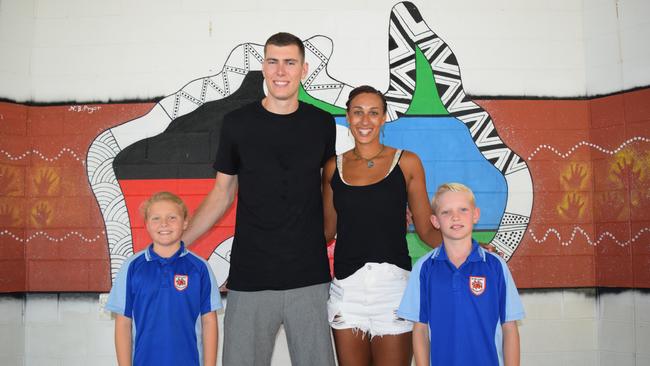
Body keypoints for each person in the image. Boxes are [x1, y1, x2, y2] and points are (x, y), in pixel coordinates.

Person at [182, 32, 336, 366]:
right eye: (273, 62)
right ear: (263, 67)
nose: (281, 71)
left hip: (308, 276)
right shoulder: (237, 123)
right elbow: (222, 193)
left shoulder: (322, 124)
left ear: (304, 69)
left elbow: (334, 190)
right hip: (251, 276)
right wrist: (179, 243)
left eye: (290, 63)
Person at [322, 85, 442, 366]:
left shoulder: (407, 162)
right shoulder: (332, 167)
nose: (365, 121)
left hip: (393, 292)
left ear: (384, 117)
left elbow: (426, 230)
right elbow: (326, 232)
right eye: (358, 113)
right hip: (346, 292)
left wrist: (470, 249)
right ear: (348, 117)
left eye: (373, 113)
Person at [398, 183, 525, 366]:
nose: (455, 217)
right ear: (435, 221)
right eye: (446, 212)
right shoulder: (424, 268)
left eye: (463, 210)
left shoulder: (495, 266)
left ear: (475, 215)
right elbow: (420, 330)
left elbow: (510, 327)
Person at [105, 191, 222, 366]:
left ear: (185, 223)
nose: (164, 224)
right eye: (156, 218)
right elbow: (123, 324)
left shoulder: (199, 267)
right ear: (146, 224)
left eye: (172, 218)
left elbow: (209, 321)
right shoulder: (132, 267)